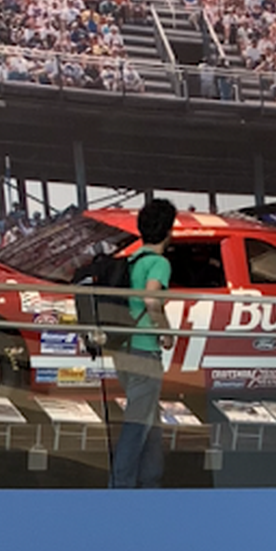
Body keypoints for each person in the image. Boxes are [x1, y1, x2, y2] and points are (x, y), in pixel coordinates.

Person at [109, 197, 176, 489]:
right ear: (168, 231)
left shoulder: (133, 260)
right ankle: (120, 484)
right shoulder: (159, 263)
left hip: (123, 348)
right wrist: (165, 330)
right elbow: (151, 299)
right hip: (145, 349)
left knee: (149, 416)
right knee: (138, 423)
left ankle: (151, 479)